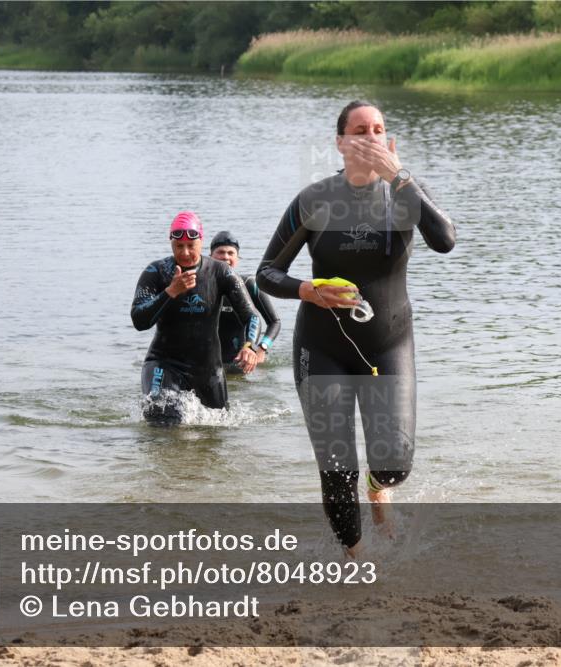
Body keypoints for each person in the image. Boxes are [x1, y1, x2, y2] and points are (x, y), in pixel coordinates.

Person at [256, 101, 456, 555]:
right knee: (336, 469)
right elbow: (266, 273)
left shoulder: (406, 192)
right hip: (321, 347)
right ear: (341, 143)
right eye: (360, 131)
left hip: (388, 342)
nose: (370, 137)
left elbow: (445, 241)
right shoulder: (315, 200)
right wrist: (307, 290)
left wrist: (399, 177)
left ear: (389, 141)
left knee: (394, 466)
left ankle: (378, 487)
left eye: (378, 129)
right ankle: (356, 562)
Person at [131, 212, 260, 425]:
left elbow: (252, 316)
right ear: (171, 242)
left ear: (201, 241)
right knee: (163, 418)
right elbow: (139, 320)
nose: (185, 252)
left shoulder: (221, 272)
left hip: (208, 370)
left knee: (218, 429)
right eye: (179, 246)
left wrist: (250, 346)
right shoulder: (156, 272)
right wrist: (170, 292)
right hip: (165, 363)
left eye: (191, 245)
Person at [209, 230, 282, 373]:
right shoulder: (201, 284)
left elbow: (275, 322)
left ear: (237, 258)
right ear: (210, 257)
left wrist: (261, 348)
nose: (226, 257)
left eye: (231, 253)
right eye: (221, 252)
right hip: (208, 362)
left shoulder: (249, 284)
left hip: (240, 362)